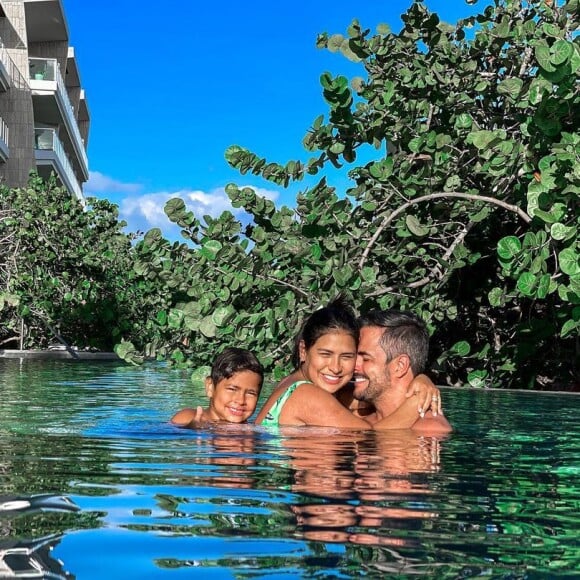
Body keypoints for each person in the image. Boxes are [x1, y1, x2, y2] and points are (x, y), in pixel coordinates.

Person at [254, 298, 440, 429]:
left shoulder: (295, 385)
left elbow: (362, 401)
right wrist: (417, 402)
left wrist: (422, 379)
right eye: (325, 354)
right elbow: (371, 437)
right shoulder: (307, 395)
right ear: (304, 351)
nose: (335, 367)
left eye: (347, 356)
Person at [353, 309, 452, 433]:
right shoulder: (361, 419)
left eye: (366, 358)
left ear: (400, 366)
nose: (353, 365)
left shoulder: (428, 429)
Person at [170, 347, 264, 426]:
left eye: (251, 393)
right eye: (232, 389)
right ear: (210, 387)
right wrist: (192, 428)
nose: (240, 400)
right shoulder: (188, 418)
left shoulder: (251, 429)